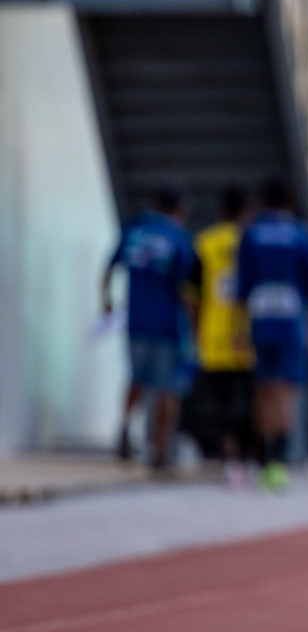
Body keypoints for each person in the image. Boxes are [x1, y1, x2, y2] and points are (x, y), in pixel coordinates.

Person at [101, 187, 199, 471]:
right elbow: (186, 290)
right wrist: (193, 328)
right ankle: (161, 451)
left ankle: (124, 430)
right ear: (178, 210)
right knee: (169, 389)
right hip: (168, 327)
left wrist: (106, 300)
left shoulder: (134, 230)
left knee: (136, 380)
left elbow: (108, 267)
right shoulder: (178, 238)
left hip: (136, 323)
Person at [237, 179, 308, 491]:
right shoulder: (299, 234)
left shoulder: (250, 233)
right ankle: (279, 461)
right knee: (285, 390)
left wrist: (238, 328)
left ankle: (264, 456)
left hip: (259, 318)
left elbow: (241, 286)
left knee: (263, 388)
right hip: (290, 320)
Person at [190, 186, 256, 480]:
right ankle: (245, 454)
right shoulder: (252, 241)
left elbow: (192, 293)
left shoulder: (205, 242)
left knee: (218, 399)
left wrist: (195, 330)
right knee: (248, 398)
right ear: (245, 213)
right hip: (247, 336)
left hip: (213, 334)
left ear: (221, 211)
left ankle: (224, 455)